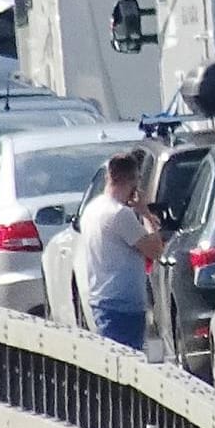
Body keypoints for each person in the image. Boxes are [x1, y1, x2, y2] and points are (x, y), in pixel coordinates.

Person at [75, 150, 163, 350]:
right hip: (124, 306)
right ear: (134, 180)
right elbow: (155, 250)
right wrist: (146, 213)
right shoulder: (120, 214)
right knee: (133, 363)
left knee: (119, 358)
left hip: (103, 300)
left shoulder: (92, 209)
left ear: (108, 176)